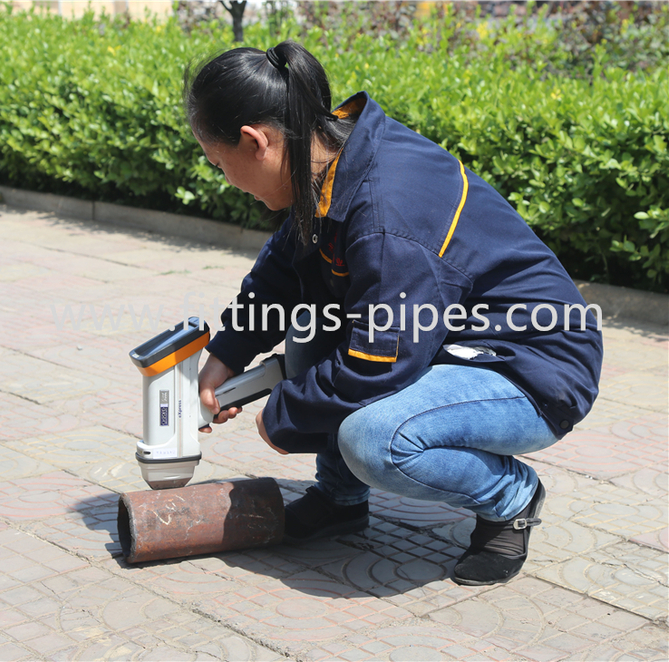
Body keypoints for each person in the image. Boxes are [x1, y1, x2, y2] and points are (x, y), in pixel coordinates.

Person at [185, 40, 603, 586]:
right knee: (316, 330)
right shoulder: (329, 156)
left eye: (220, 164)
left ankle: (511, 497)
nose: (225, 179)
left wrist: (285, 412)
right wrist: (226, 356)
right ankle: (340, 498)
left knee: (375, 439)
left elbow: (378, 361)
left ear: (255, 141)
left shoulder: (386, 211)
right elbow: (283, 270)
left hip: (530, 364)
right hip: (446, 339)